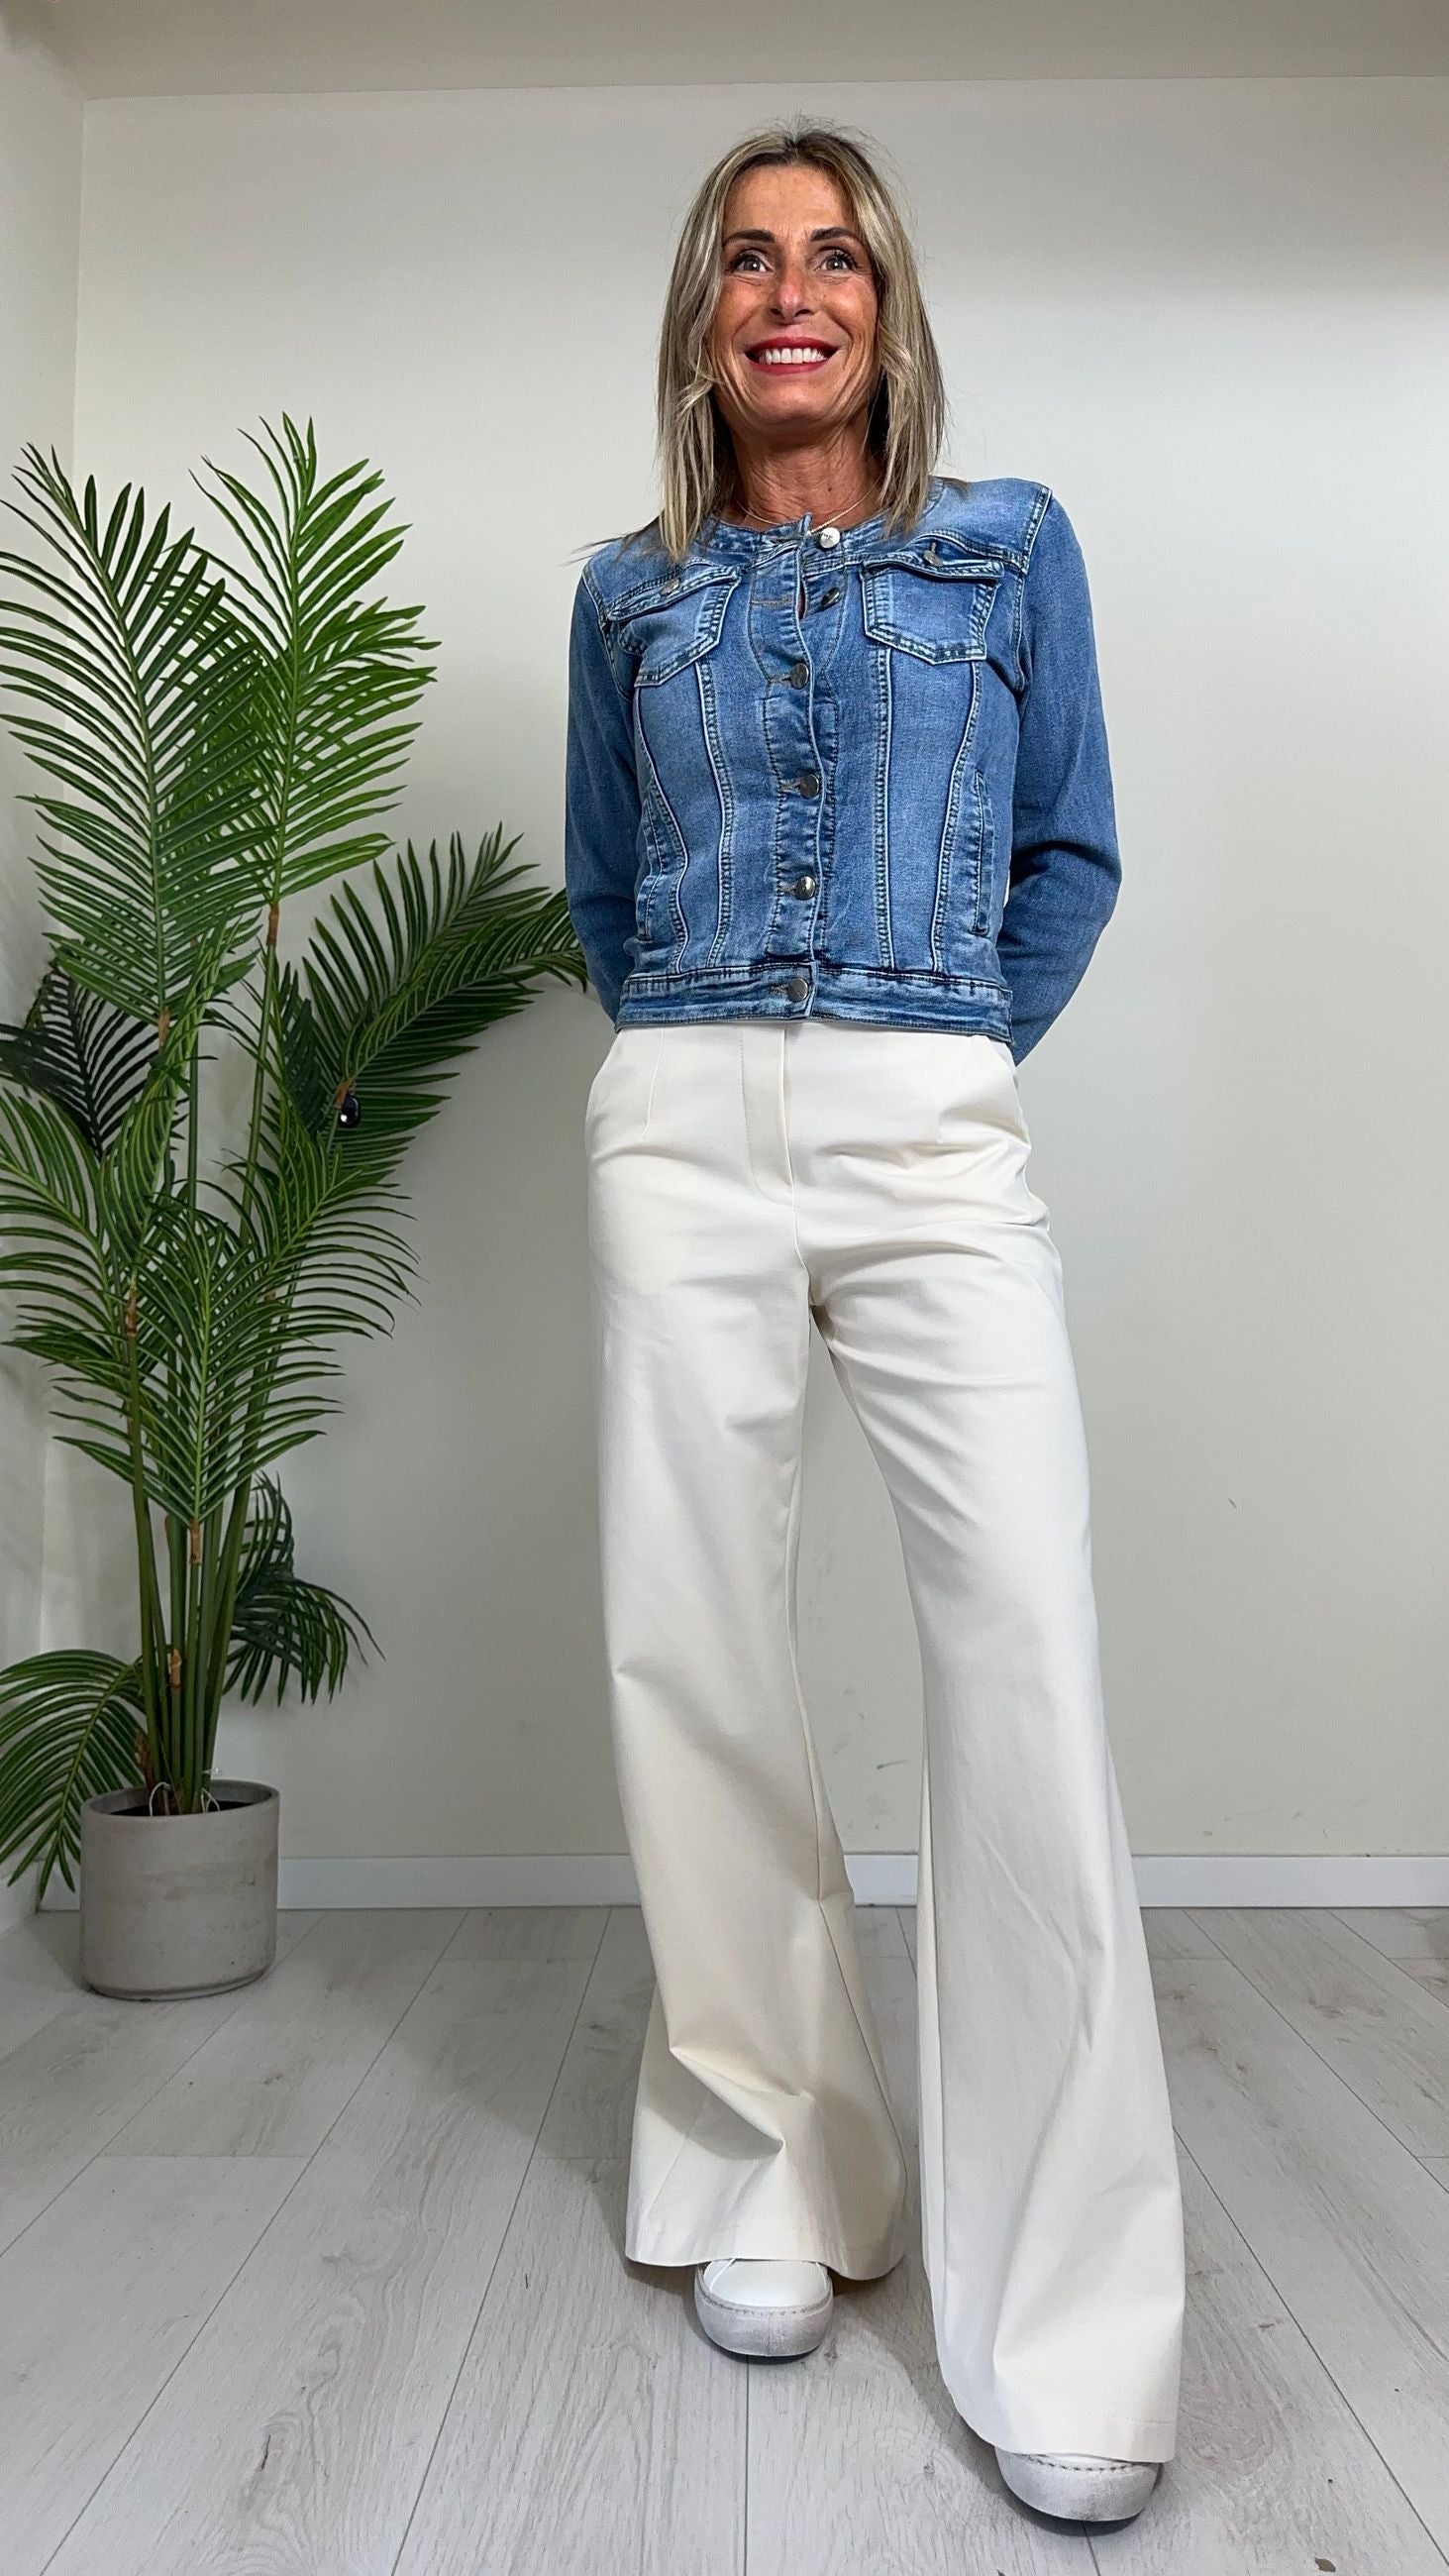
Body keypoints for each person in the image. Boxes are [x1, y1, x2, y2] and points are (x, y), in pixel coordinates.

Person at [563, 117, 1186, 2528]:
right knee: (697, 1648)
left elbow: (1070, 850)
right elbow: (608, 891)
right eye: (749, 258)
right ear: (703, 318)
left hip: (933, 1123)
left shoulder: (1008, 548)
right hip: (683, 1116)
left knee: (1022, 1642)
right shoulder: (627, 591)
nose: (791, 290)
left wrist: (938, 1058)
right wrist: (712, 1072)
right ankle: (771, 2165)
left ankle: (1077, 2323)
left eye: (834, 255)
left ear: (887, 308)